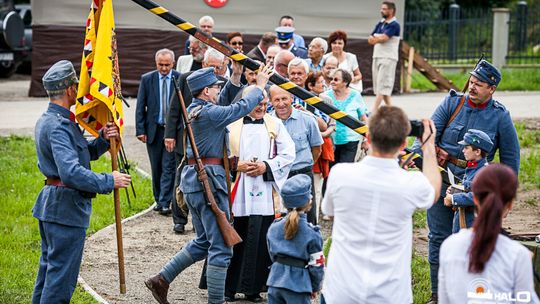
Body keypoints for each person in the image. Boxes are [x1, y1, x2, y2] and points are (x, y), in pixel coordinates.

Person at [145, 64, 274, 304]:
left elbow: (224, 101)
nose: (218, 89)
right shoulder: (209, 114)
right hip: (209, 185)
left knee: (204, 242)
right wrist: (259, 86)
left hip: (196, 183)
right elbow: (241, 107)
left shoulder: (199, 110)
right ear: (206, 91)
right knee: (222, 247)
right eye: (215, 86)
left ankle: (161, 279)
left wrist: (236, 75)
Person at [414, 59, 521, 304]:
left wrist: (503, 197)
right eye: (472, 82)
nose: (472, 87)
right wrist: (416, 154)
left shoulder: (500, 116)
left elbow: (511, 161)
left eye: (479, 84)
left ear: (491, 89)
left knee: (472, 240)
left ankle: (469, 294)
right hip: (441, 179)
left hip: (476, 186)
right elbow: (428, 133)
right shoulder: (452, 102)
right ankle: (438, 294)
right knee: (438, 237)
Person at [32, 60, 131, 303]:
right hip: (65, 210)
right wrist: (110, 180)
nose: (79, 89)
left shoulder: (51, 120)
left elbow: (77, 153)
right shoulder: (59, 126)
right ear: (69, 90)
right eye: (77, 85)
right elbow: (71, 172)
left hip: (55, 207)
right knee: (60, 281)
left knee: (49, 274)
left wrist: (102, 141)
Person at [321, 106, 441, 303]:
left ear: (367, 138)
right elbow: (433, 191)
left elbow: (330, 212)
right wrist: (428, 147)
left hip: (342, 288)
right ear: (403, 145)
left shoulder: (340, 174)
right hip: (389, 292)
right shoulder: (410, 184)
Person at [225, 86, 296, 302]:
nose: (262, 108)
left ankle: (253, 288)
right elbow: (220, 153)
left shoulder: (275, 124)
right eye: (258, 104)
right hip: (238, 186)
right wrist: (238, 165)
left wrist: (267, 166)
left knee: (259, 236)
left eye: (265, 105)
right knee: (234, 235)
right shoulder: (231, 124)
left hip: (264, 187)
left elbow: (289, 152)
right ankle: (227, 287)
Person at [438, 164, 540, 304]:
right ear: (510, 204)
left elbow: (444, 300)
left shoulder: (449, 246)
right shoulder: (518, 255)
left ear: (474, 199)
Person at [165, 48, 236, 234]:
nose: (214, 71)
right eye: (210, 66)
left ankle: (199, 225)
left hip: (211, 142)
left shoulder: (221, 84)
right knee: (181, 179)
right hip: (186, 138)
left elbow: (226, 105)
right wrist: (170, 134)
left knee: (205, 194)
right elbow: (175, 109)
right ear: (203, 64)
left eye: (217, 68)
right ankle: (179, 219)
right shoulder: (185, 79)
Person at [266, 174, 324, 304]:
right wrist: (314, 287)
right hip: (299, 285)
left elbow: (272, 254)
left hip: (275, 281)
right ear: (309, 202)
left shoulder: (274, 227)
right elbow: (317, 265)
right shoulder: (312, 233)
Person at [269, 85, 323, 225]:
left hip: (302, 174)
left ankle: (311, 245)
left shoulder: (308, 120)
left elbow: (316, 149)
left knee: (308, 218)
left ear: (292, 98)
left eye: (284, 98)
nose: (281, 103)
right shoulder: (268, 122)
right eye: (276, 100)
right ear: (271, 102)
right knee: (281, 217)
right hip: (279, 176)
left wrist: (305, 165)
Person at [136, 49, 179, 215]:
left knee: (169, 166)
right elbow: (141, 106)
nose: (163, 68)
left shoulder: (179, 78)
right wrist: (140, 129)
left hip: (172, 131)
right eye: (160, 65)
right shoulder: (148, 79)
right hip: (154, 129)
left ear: (172, 64)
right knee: (156, 167)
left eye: (167, 65)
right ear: (156, 63)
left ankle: (165, 202)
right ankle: (158, 198)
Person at [443, 129, 493, 233]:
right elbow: (468, 187)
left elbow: (480, 195)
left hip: (475, 227)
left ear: (477, 151)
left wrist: (453, 198)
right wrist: (454, 189)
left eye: (466, 148)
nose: (463, 150)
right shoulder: (473, 168)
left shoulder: (485, 172)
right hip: (464, 224)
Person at [305, 71, 335, 222]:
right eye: (320, 82)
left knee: (317, 186)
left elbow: (332, 125)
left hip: (322, 146)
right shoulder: (301, 99)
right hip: (306, 147)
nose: (323, 85)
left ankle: (314, 221)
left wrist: (322, 136)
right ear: (310, 85)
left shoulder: (327, 100)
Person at [324, 68, 368, 163]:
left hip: (351, 141)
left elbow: (363, 118)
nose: (332, 82)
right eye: (332, 79)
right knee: (331, 173)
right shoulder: (325, 96)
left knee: (345, 171)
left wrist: (366, 140)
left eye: (336, 80)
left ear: (345, 82)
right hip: (331, 141)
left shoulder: (355, 95)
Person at [368, 1, 401, 113]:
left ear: (391, 10)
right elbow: (370, 38)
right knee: (379, 86)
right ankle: (392, 111)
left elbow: (384, 38)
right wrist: (377, 38)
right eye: (381, 8)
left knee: (382, 86)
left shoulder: (394, 24)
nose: (382, 11)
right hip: (377, 56)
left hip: (388, 58)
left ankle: (373, 111)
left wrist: (377, 39)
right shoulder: (381, 23)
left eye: (384, 9)